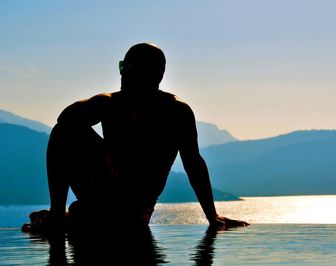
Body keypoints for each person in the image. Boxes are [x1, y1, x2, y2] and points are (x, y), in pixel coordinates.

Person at [22, 43, 248, 234]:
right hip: (104, 195)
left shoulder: (175, 112)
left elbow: (193, 163)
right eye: (121, 66)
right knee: (64, 131)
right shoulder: (111, 104)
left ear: (152, 74)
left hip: (134, 211)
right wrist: (103, 102)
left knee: (66, 134)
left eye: (127, 67)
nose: (121, 73)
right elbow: (66, 119)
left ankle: (69, 217)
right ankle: (60, 215)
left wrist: (212, 216)